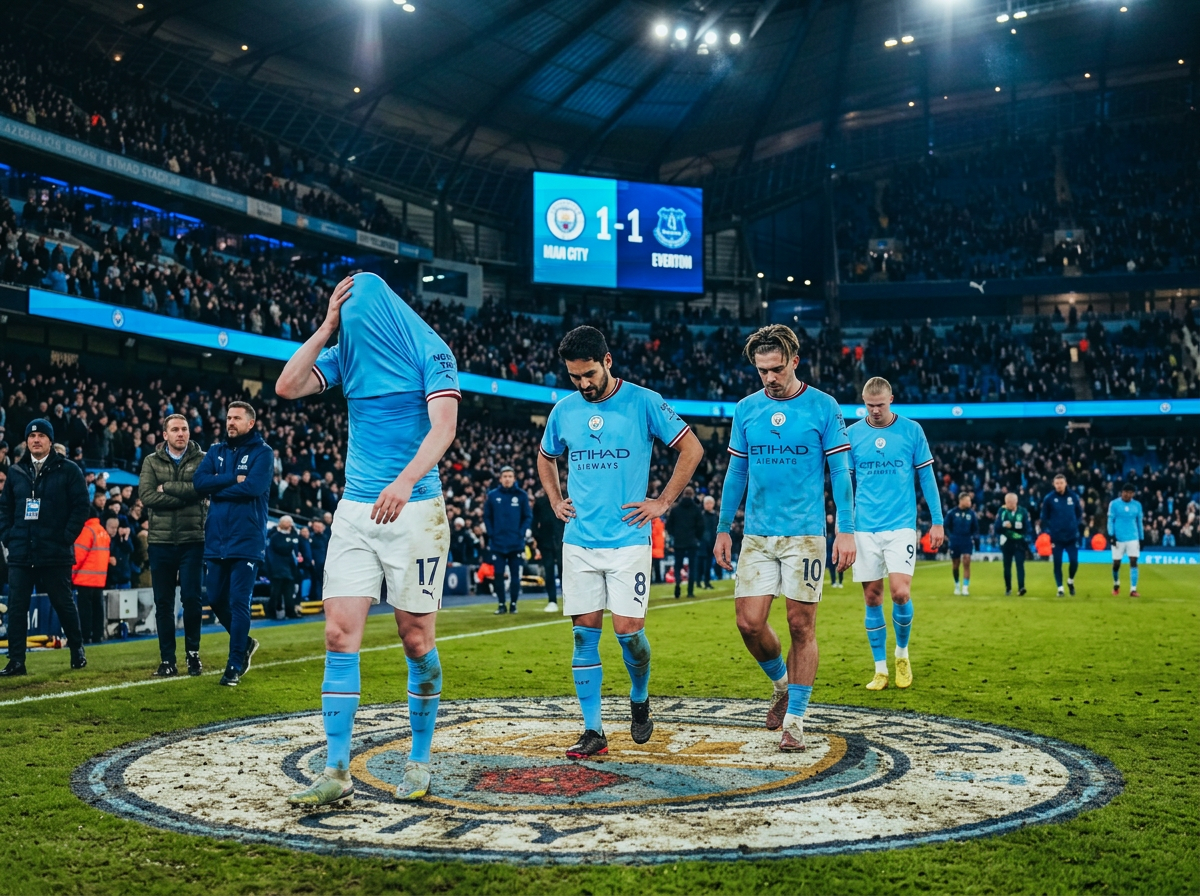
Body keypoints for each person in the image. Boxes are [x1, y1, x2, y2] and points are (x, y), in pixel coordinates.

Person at [275, 272, 460, 806]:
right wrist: (327, 325)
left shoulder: (431, 349)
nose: (352, 323)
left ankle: (420, 759)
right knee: (337, 635)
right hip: (357, 510)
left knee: (416, 640)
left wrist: (404, 482)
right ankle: (336, 770)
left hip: (417, 507)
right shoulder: (343, 352)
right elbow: (288, 386)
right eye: (345, 314)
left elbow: (443, 428)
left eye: (355, 312)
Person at [538, 326, 702, 759]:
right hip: (579, 540)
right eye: (574, 377)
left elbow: (692, 450)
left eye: (588, 374)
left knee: (629, 634)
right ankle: (594, 731)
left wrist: (663, 501)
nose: (583, 384)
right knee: (582, 636)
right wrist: (556, 499)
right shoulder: (565, 409)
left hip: (629, 538)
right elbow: (545, 455)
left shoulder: (645, 401)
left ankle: (640, 696)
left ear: (607, 361)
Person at [714, 325, 856, 751]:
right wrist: (724, 527)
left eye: (776, 369)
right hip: (757, 535)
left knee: (801, 624)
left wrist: (844, 530)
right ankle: (781, 685)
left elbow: (840, 474)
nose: (770, 378)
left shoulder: (823, 407)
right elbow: (737, 471)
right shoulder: (746, 409)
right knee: (748, 623)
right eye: (762, 371)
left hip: (806, 535)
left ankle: (795, 720)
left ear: (795, 361)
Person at [847, 377, 944, 692]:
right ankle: (880, 669)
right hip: (864, 527)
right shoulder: (852, 435)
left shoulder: (912, 430)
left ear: (891, 399)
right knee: (872, 596)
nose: (875, 411)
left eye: (880, 405)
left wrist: (937, 521)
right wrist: (842, 527)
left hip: (901, 525)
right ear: (864, 402)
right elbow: (844, 486)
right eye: (869, 405)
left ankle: (902, 655)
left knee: (900, 592)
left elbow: (927, 479)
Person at [0, 419, 89, 676]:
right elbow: (5, 508)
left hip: (55, 552)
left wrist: (66, 536)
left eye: (41, 435)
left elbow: (81, 506)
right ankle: (16, 661)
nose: (35, 440)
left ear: (50, 440)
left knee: (63, 604)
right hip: (20, 553)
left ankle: (77, 649)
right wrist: (8, 537)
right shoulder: (16, 472)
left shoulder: (69, 470)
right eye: (32, 436)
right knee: (17, 609)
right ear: (26, 441)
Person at [193, 401, 272, 686]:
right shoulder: (216, 451)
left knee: (239, 601)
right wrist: (229, 479)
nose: (230, 422)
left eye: (237, 418)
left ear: (250, 423)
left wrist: (218, 489)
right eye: (228, 417)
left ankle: (234, 664)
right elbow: (199, 483)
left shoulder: (263, 453)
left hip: (247, 538)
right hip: (217, 538)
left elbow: (253, 487)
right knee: (214, 598)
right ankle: (246, 642)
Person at [139, 412, 207, 677]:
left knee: (191, 600)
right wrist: (186, 496)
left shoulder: (203, 459)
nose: (181, 433)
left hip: (193, 540)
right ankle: (167, 660)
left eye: (185, 429)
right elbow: (146, 496)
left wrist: (166, 487)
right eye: (175, 430)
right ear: (165, 435)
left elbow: (202, 489)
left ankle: (193, 655)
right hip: (160, 542)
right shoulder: (150, 461)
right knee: (164, 603)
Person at [483, 465, 532, 615]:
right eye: (505, 476)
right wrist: (492, 534)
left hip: (516, 543)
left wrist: (521, 533)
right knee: (498, 574)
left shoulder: (521, 495)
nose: (507, 479)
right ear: (500, 479)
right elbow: (487, 516)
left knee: (515, 575)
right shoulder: (492, 496)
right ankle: (501, 604)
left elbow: (528, 516)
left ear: (514, 478)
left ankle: (514, 604)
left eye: (510, 476)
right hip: (497, 543)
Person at [1041, 473, 1083, 597]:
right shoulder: (1049, 498)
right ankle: (1060, 588)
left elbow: (1079, 513)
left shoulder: (1073, 497)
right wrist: (1050, 530)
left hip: (1071, 536)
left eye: (1061, 483)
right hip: (1057, 537)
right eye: (1057, 483)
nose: (1059, 485)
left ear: (1066, 484)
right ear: (1054, 484)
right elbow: (1044, 517)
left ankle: (1070, 580)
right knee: (1057, 563)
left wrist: (1074, 525)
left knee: (1074, 562)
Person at [72, 509, 110, 644]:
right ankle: (98, 635)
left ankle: (86, 635)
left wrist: (71, 572)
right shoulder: (102, 531)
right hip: (99, 579)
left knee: (85, 610)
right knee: (98, 609)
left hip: (85, 578)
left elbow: (78, 555)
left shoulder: (87, 531)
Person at [666, 486, 704, 599]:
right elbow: (701, 526)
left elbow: (669, 526)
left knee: (678, 565)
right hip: (692, 542)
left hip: (679, 542)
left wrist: (675, 535)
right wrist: (697, 537)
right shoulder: (696, 509)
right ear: (692, 495)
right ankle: (690, 591)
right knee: (692, 567)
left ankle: (678, 584)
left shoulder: (675, 509)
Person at [532, 486, 565, 613]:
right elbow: (534, 522)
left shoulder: (566, 499)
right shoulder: (540, 502)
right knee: (549, 570)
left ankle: (567, 599)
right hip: (546, 541)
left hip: (562, 541)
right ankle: (552, 600)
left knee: (565, 571)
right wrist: (537, 537)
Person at [1108, 483, 1144, 597]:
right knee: (1116, 564)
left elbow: (1139, 522)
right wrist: (1111, 535)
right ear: (1121, 492)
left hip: (1133, 537)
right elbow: (1110, 520)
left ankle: (1133, 589)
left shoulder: (1137, 505)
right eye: (1125, 492)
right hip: (1118, 538)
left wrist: (1141, 538)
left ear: (1133, 494)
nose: (1127, 495)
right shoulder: (1114, 504)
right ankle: (1116, 583)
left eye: (1129, 493)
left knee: (1133, 561)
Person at [995, 492, 1031, 596]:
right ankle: (1008, 588)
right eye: (1007, 502)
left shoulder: (1023, 512)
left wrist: (1014, 526)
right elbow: (997, 527)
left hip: (1019, 543)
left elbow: (1027, 527)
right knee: (1007, 566)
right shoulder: (1002, 511)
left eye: (1011, 501)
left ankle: (1021, 587)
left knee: (1020, 565)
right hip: (1006, 542)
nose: (1009, 504)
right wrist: (1004, 525)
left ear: (1016, 501)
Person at [267, 515, 301, 620]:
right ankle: (271, 613)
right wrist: (291, 544)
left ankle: (290, 612)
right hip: (277, 569)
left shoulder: (292, 536)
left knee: (289, 593)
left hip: (288, 569)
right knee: (275, 593)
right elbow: (282, 549)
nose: (290, 524)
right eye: (287, 522)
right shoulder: (275, 536)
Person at [945, 492, 979, 595]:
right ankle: (956, 585)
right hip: (955, 540)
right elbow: (946, 526)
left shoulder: (972, 514)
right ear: (962, 500)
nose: (970, 502)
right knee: (955, 565)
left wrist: (974, 537)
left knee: (967, 561)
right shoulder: (952, 513)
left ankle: (965, 587)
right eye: (968, 500)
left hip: (967, 540)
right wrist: (950, 536)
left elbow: (976, 528)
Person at [699, 495, 718, 587]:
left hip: (712, 543)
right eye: (706, 503)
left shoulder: (716, 516)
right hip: (702, 543)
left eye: (710, 503)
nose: (708, 505)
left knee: (709, 564)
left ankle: (707, 581)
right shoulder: (701, 516)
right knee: (701, 564)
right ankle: (698, 581)